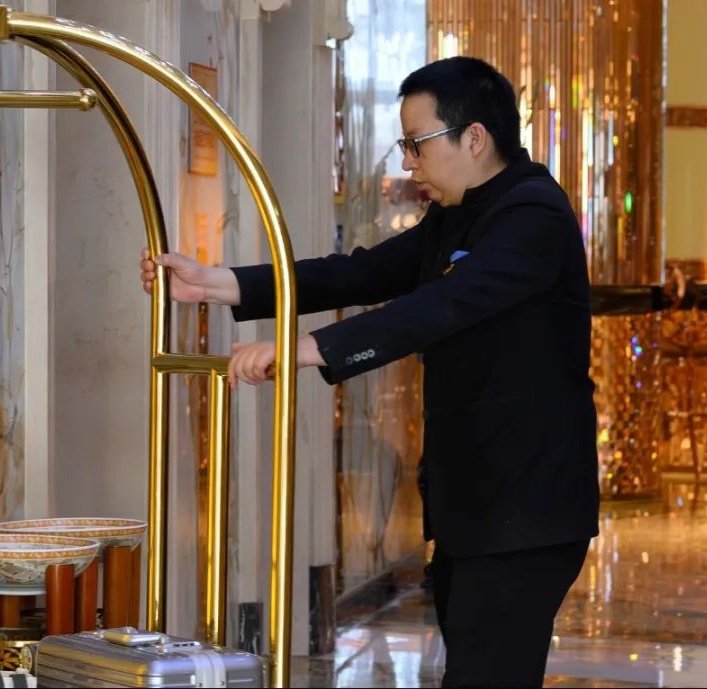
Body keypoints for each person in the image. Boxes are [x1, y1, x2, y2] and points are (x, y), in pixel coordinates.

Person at [139, 56, 598, 687]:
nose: (408, 163)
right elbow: (359, 272)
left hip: (526, 507)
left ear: (473, 137)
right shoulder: (458, 213)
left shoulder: (533, 216)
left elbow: (442, 306)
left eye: (416, 143)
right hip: (474, 503)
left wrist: (307, 349)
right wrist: (219, 283)